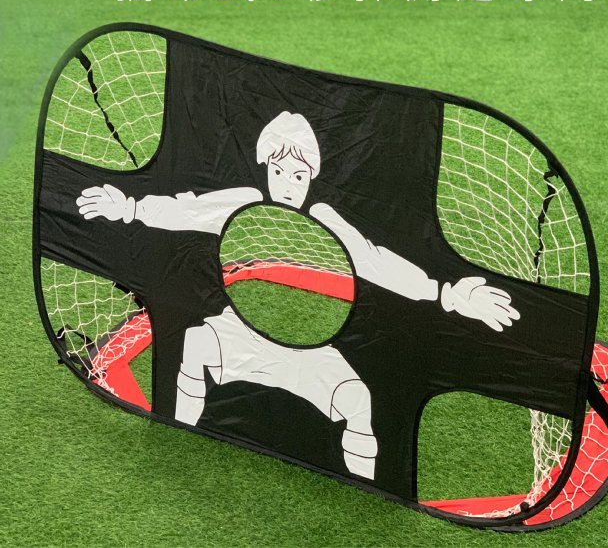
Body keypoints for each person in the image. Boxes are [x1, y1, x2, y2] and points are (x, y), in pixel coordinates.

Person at [76, 111, 519, 480]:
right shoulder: (246, 202)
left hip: (314, 354)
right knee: (195, 344)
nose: (288, 182)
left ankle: (365, 489)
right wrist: (129, 208)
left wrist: (445, 294)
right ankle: (177, 438)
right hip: (242, 335)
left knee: (358, 402)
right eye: (279, 171)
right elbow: (188, 209)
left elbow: (374, 260)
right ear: (266, 169)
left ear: (312, 175)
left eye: (299, 174)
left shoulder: (325, 218)